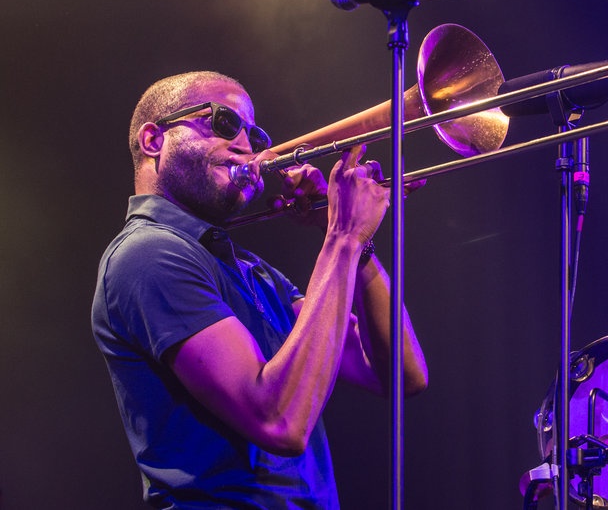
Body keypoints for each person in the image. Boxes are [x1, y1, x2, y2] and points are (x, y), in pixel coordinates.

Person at [92, 71, 428, 508]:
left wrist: (359, 247)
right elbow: (280, 421)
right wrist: (342, 236)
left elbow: (402, 375)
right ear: (154, 140)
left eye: (254, 134)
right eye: (225, 123)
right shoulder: (148, 254)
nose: (247, 147)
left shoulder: (251, 270)